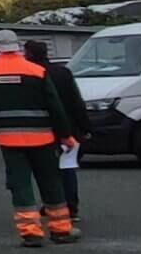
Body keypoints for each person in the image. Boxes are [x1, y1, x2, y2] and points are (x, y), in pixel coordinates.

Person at [0, 28, 77, 246]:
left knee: (20, 183)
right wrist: (65, 135)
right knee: (51, 181)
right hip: (43, 137)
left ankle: (31, 233)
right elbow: (55, 106)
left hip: (9, 139)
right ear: (17, 46)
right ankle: (61, 230)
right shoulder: (37, 71)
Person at [26, 38, 92, 225]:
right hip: (69, 128)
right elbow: (76, 101)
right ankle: (71, 207)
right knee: (67, 167)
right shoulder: (63, 72)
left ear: (28, 54)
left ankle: (52, 203)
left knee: (45, 170)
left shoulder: (30, 73)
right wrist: (85, 127)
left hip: (41, 129)